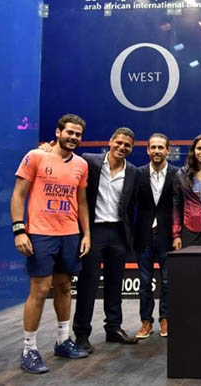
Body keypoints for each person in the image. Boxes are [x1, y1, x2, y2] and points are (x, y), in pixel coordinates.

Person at [11, 114, 90, 374]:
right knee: (40, 289)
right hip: (40, 233)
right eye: (70, 132)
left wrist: (86, 234)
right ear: (58, 132)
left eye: (78, 134)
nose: (74, 137)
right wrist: (19, 230)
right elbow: (18, 194)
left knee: (65, 287)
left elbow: (81, 202)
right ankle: (29, 349)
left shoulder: (81, 164)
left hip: (69, 234)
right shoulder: (35, 156)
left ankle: (62, 340)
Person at [73, 127, 140, 352]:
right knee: (88, 283)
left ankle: (113, 328)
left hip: (118, 233)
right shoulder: (89, 161)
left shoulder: (133, 172)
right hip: (94, 231)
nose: (122, 147)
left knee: (115, 283)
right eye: (118, 143)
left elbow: (130, 205)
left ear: (132, 148)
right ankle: (82, 334)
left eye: (127, 145)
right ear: (110, 142)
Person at [134, 134, 178, 340]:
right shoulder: (138, 173)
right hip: (143, 235)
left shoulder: (177, 174)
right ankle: (146, 321)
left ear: (168, 150)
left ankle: (165, 318)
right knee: (144, 282)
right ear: (147, 150)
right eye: (153, 147)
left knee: (168, 281)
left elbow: (180, 205)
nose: (157, 151)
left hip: (168, 236)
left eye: (161, 147)